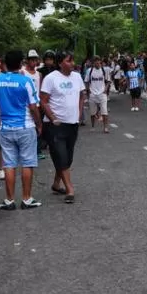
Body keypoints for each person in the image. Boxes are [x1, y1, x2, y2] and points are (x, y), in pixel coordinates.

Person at [0, 50, 44, 210]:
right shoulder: (26, 81)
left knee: (9, 164)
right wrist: (39, 124)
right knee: (27, 163)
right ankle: (26, 199)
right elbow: (33, 106)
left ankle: (9, 200)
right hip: (25, 127)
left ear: (5, 63)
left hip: (5, 128)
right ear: (20, 63)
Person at [40, 52, 85, 204]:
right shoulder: (51, 78)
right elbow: (43, 100)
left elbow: (82, 96)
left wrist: (79, 113)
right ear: (60, 63)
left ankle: (56, 183)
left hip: (72, 123)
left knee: (68, 157)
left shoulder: (77, 77)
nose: (72, 63)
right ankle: (70, 189)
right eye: (69, 61)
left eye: (73, 60)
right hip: (55, 125)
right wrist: (53, 118)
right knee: (61, 156)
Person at [84, 56, 112, 133]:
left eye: (98, 61)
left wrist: (106, 89)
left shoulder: (104, 70)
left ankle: (105, 127)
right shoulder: (89, 71)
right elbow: (86, 81)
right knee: (92, 112)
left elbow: (108, 81)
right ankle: (93, 126)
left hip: (102, 93)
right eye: (95, 62)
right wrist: (88, 90)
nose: (97, 63)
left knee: (104, 111)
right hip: (93, 94)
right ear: (93, 63)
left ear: (100, 62)